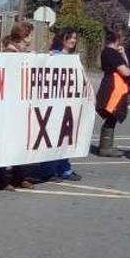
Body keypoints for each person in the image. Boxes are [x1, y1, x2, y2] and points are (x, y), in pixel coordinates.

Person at [0, 21, 36, 190]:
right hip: (9, 105)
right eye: (30, 35)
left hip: (21, 103)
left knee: (21, 140)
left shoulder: (22, 52)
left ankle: (20, 175)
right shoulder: (11, 53)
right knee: (7, 141)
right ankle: (2, 178)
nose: (31, 38)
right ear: (23, 36)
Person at [45, 27, 83, 181]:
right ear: (63, 39)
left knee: (65, 137)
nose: (73, 41)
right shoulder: (54, 56)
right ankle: (48, 170)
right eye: (70, 38)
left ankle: (65, 168)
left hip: (69, 102)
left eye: (74, 38)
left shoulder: (73, 58)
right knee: (52, 136)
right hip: (55, 102)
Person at [95, 28, 130, 158]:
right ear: (117, 39)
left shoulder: (106, 52)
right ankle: (105, 147)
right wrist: (122, 56)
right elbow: (126, 71)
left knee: (111, 117)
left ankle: (106, 145)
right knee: (112, 115)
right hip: (113, 87)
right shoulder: (112, 53)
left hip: (109, 84)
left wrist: (123, 55)